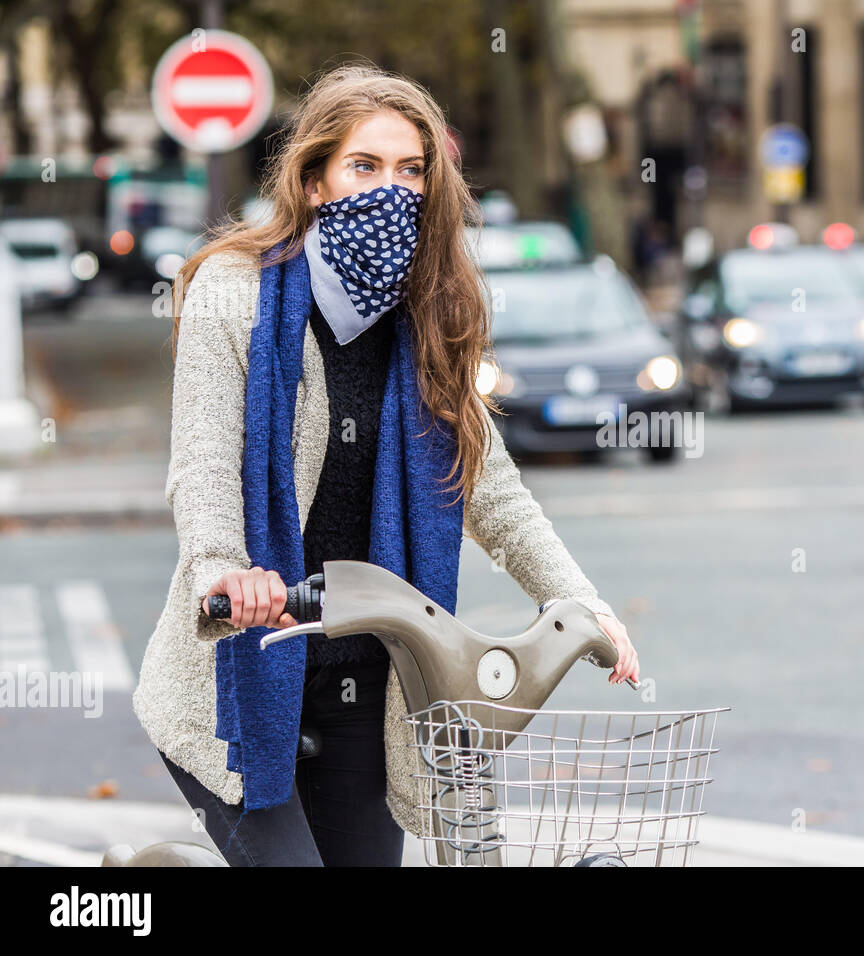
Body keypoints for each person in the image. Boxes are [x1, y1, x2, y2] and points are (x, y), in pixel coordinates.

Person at [131, 63, 638, 867]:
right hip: (238, 685)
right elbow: (201, 465)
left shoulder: (434, 313)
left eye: (412, 171)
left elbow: (489, 488)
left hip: (371, 690)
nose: (391, 190)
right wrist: (226, 570)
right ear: (317, 179)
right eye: (365, 167)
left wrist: (578, 600)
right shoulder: (236, 291)